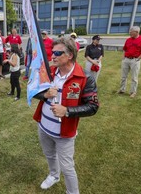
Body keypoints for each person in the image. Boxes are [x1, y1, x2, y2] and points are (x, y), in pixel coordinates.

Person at [33, 37, 99, 193]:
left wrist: (67, 111)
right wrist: (45, 95)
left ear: (70, 55)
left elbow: (93, 106)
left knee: (67, 167)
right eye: (52, 52)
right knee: (49, 155)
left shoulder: (85, 77)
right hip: (43, 126)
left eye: (57, 53)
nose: (52, 56)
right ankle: (54, 175)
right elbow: (33, 90)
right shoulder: (49, 72)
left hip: (65, 133)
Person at [118, 26, 141, 98]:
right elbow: (125, 49)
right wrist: (123, 57)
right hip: (126, 59)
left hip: (135, 60)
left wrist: (138, 58)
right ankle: (122, 89)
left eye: (131, 32)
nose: (130, 33)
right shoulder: (128, 40)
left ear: (136, 32)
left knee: (134, 77)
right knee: (123, 76)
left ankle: (133, 92)